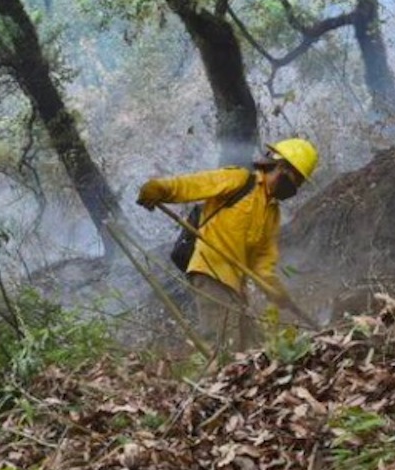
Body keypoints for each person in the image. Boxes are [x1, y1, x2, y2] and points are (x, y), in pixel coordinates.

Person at [136, 137, 319, 356]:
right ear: (280, 167)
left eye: (299, 183)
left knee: (253, 350)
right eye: (295, 179)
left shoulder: (272, 212)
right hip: (210, 274)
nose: (295, 187)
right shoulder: (239, 181)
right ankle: (212, 386)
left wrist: (276, 290)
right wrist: (160, 189)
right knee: (224, 351)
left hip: (236, 287)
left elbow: (263, 261)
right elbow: (194, 185)